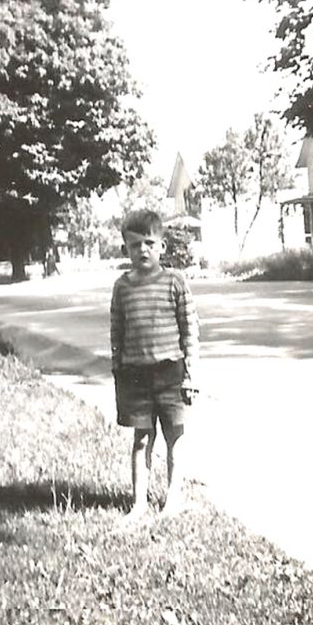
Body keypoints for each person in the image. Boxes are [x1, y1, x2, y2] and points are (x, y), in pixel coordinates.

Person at [110, 208, 199, 519]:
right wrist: (117, 366)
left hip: (171, 372)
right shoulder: (122, 287)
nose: (143, 250)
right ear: (125, 249)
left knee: (175, 436)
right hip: (134, 375)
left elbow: (190, 329)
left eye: (149, 243)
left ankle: (174, 498)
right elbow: (117, 330)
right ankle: (139, 504)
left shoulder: (175, 281)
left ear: (162, 246)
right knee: (142, 438)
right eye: (135, 245)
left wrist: (191, 375)